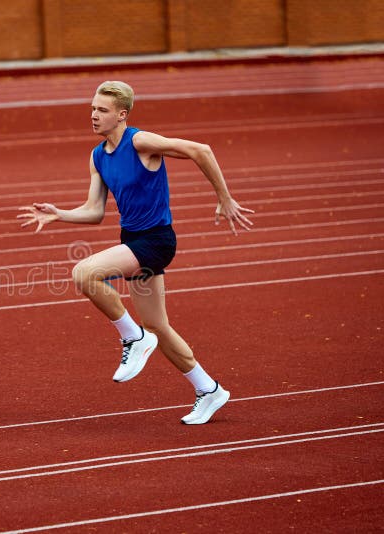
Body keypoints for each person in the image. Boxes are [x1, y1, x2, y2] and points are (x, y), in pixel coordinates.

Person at [18, 81, 254, 425]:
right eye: (92, 109)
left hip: (155, 241)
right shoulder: (98, 155)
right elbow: (95, 211)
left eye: (102, 110)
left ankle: (133, 337)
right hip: (133, 239)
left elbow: (201, 149)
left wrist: (224, 198)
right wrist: (60, 214)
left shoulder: (141, 142)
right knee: (158, 325)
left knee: (84, 273)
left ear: (122, 115)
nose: (94, 115)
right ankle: (209, 389)